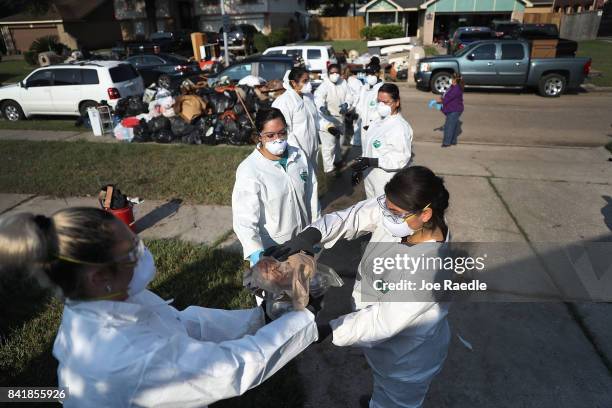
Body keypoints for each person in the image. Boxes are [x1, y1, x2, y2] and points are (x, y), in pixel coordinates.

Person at [0, 207, 318, 407]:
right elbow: (230, 369)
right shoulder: (127, 354)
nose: (143, 254)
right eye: (131, 253)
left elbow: (181, 324)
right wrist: (304, 321)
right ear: (99, 277)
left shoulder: (103, 300)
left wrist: (258, 318)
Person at [264, 166, 452, 408]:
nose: (385, 214)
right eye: (386, 205)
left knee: (396, 402)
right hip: (382, 346)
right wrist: (309, 236)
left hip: (406, 359)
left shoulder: (430, 268)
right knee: (381, 393)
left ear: (425, 215)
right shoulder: (407, 215)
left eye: (393, 212)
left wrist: (326, 331)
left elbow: (380, 322)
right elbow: (355, 215)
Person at [232, 108, 320, 266]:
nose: (278, 139)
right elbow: (244, 219)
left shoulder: (299, 157)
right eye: (270, 135)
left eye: (282, 133)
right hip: (274, 250)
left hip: (303, 240)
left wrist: (317, 230)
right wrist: (256, 254)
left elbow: (312, 196)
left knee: (304, 286)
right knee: (280, 288)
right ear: (259, 136)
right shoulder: (250, 170)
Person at [352, 83, 413, 199]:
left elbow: (401, 158)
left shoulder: (399, 127)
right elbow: (369, 147)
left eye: (385, 102)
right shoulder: (377, 120)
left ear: (397, 102)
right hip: (370, 176)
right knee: (372, 209)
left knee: (385, 212)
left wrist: (373, 162)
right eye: (379, 101)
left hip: (385, 180)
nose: (381, 105)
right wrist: (361, 169)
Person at [272, 67, 321, 168]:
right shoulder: (284, 102)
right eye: (305, 81)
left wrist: (327, 127)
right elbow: (283, 131)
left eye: (309, 80)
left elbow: (314, 119)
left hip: (312, 149)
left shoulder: (308, 97)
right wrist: (297, 151)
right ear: (294, 83)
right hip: (295, 151)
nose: (309, 84)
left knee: (311, 180)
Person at [314, 63, 354, 175]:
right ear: (328, 73)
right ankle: (329, 169)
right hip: (327, 119)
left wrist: (347, 104)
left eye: (337, 72)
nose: (335, 75)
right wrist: (322, 107)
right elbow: (318, 97)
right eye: (332, 73)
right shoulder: (324, 85)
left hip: (340, 117)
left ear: (340, 73)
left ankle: (338, 160)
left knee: (338, 142)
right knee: (329, 145)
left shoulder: (343, 83)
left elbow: (349, 96)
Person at [355, 65, 384, 143]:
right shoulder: (364, 88)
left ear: (378, 74)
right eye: (368, 74)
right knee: (365, 146)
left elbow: (383, 109)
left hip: (375, 124)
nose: (369, 76)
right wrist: (357, 113)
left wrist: (373, 122)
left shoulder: (382, 89)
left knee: (375, 147)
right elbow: (360, 104)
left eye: (372, 74)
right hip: (364, 123)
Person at [439, 73, 464, 147]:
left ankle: (446, 143)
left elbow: (448, 97)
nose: (451, 80)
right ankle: (453, 141)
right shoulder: (453, 86)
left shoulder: (456, 88)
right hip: (453, 109)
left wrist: (440, 101)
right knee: (453, 126)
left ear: (455, 80)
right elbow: (446, 94)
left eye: (452, 78)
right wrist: (442, 96)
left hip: (454, 110)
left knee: (448, 127)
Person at [342, 66, 364, 146]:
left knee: (357, 124)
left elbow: (358, 94)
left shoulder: (354, 81)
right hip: (354, 104)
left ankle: (357, 143)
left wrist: (353, 106)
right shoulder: (346, 81)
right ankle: (353, 141)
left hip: (359, 104)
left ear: (344, 74)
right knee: (353, 123)